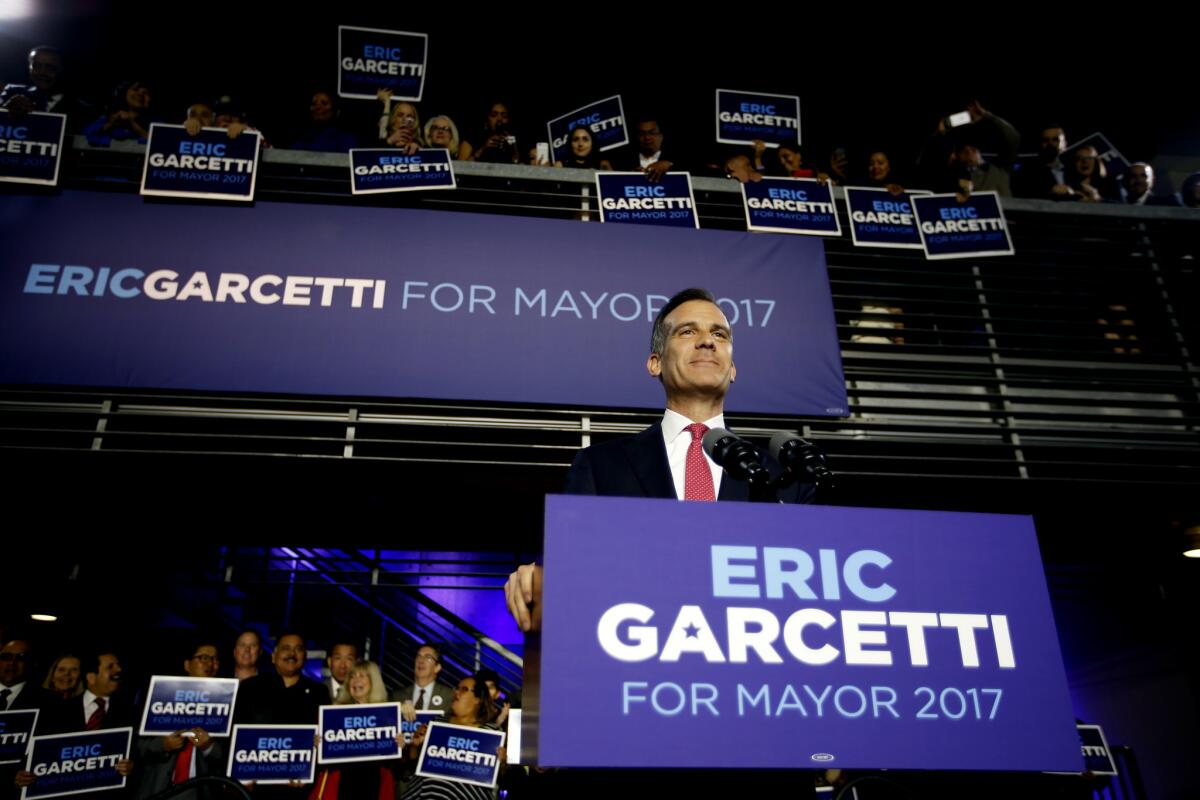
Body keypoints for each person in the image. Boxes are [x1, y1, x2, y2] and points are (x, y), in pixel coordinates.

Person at [505, 288, 816, 631]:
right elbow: (575, 564)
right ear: (655, 363)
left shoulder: (784, 476)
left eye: (719, 334)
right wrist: (542, 576)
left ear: (733, 370)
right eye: (688, 331)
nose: (707, 342)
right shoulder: (601, 465)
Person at [18, 650, 135, 792]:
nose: (119, 670)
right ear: (91, 677)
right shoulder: (55, 711)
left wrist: (132, 765)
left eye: (118, 665)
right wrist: (21, 774)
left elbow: (138, 753)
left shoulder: (130, 713)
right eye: (110, 666)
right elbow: (34, 752)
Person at [134, 640, 226, 800]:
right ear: (187, 665)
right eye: (203, 658)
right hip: (159, 790)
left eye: (215, 659)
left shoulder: (226, 701)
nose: (210, 663)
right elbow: (137, 747)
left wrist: (209, 747)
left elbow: (231, 755)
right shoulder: (161, 695)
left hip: (199, 792)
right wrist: (163, 745)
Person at [309, 660, 401, 800]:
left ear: (373, 681)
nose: (355, 680)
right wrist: (319, 745)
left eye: (362, 675)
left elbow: (394, 764)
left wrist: (399, 745)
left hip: (374, 784)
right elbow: (322, 760)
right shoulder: (334, 714)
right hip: (342, 784)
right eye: (352, 676)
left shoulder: (388, 716)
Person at [402, 676, 502, 800]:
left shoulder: (491, 732)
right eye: (457, 688)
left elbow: (496, 775)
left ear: (477, 699)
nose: (456, 692)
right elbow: (413, 767)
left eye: (464, 689)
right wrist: (414, 746)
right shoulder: (437, 723)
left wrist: (502, 761)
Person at [82, 79, 154, 146]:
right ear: (125, 93)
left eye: (146, 93)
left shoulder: (156, 123)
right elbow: (83, 137)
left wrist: (132, 124)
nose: (140, 94)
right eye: (135, 89)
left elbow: (160, 144)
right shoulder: (106, 119)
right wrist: (110, 124)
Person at [392, 644, 453, 718]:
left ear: (437, 667)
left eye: (428, 657)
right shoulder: (397, 696)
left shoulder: (448, 696)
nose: (421, 661)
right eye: (419, 656)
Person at [291, 90, 357, 153]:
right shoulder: (304, 138)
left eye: (324, 103)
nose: (317, 107)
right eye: (314, 104)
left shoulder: (345, 139)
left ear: (336, 110)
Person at [616, 117, 675, 182]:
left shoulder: (671, 160)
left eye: (652, 133)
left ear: (661, 136)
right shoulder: (623, 161)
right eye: (641, 134)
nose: (647, 137)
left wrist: (669, 164)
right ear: (636, 137)